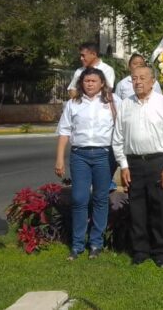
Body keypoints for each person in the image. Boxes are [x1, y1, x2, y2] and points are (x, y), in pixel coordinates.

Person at [112, 66, 163, 267]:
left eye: (142, 78)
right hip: (133, 164)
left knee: (160, 208)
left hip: (158, 162)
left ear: (152, 81)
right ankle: (140, 251)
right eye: (134, 78)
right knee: (137, 209)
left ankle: (160, 252)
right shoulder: (125, 105)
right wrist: (123, 166)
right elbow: (118, 138)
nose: (138, 82)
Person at [55, 68, 119, 260]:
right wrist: (59, 158)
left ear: (102, 83)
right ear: (82, 83)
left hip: (104, 155)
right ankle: (77, 245)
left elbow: (122, 128)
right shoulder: (73, 104)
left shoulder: (113, 103)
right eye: (87, 81)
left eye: (94, 81)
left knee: (100, 199)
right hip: (79, 155)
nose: (90, 84)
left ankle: (96, 244)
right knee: (79, 198)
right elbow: (64, 131)